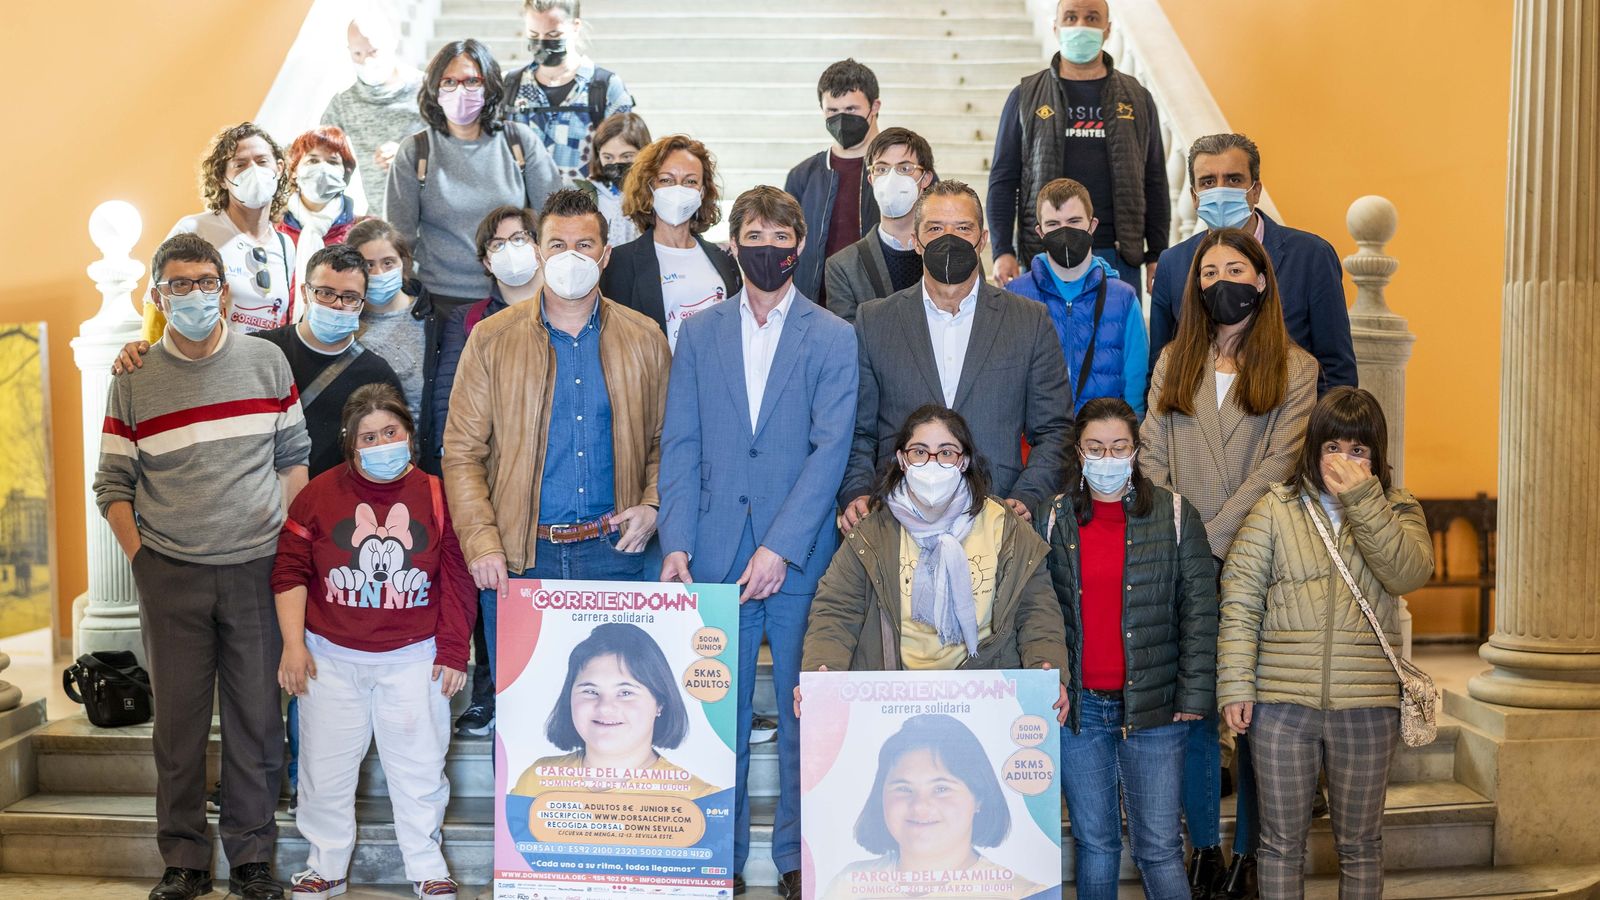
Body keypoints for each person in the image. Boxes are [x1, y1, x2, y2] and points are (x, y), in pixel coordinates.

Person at [94, 233, 310, 900]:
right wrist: (146, 563)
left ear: (224, 289)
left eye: (205, 281)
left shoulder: (267, 362)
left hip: (257, 570)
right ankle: (184, 859)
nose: (194, 294)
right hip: (172, 575)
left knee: (257, 723)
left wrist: (287, 551)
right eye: (179, 284)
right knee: (179, 729)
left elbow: (293, 462)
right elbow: (112, 485)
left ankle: (251, 857)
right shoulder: (133, 378)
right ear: (158, 296)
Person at [657, 186, 858, 898]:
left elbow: (831, 450)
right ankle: (721, 854)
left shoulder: (833, 336)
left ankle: (800, 856)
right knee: (719, 717)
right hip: (712, 559)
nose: (767, 248)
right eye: (754, 235)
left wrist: (780, 547)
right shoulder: (699, 333)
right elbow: (680, 442)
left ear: (799, 247)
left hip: (799, 562)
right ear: (733, 244)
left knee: (806, 714)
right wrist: (676, 541)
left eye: (780, 237)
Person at [1139, 227, 1318, 897]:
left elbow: (1278, 466)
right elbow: (1151, 453)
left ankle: (1249, 852)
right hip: (1180, 559)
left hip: (1256, 562)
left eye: (1235, 270)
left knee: (1254, 721)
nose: (1222, 283)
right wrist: (1186, 542)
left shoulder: (1296, 369)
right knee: (1192, 713)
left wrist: (1211, 540)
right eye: (1209, 272)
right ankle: (1205, 850)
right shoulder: (1174, 360)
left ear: (1262, 281)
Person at [443, 189, 671, 684]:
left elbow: (667, 440)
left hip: (617, 554)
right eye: (558, 245)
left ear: (605, 255)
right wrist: (481, 542)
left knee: (614, 701)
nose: (572, 257)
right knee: (528, 712)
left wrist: (653, 503)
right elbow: (462, 453)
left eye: (584, 245)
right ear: (539, 253)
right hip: (521, 559)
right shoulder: (491, 339)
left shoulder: (646, 337)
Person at [1217, 387, 1432, 900]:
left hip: (1367, 706)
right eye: (1333, 446)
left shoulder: (1399, 509)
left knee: (1360, 844)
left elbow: (1407, 574)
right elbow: (1241, 602)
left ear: (1377, 455)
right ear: (1313, 447)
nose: (1343, 459)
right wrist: (1236, 685)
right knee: (1279, 845)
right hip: (1281, 705)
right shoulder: (1275, 509)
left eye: (1358, 449)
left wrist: (1363, 500)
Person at [272, 383, 476, 900]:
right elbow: (289, 569)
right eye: (369, 437)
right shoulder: (319, 494)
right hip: (330, 657)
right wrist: (293, 645)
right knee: (324, 769)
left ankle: (427, 867)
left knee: (420, 767)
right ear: (350, 442)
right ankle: (326, 866)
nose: (382, 443)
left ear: (409, 433)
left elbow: (457, 577)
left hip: (414, 656)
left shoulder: (438, 494)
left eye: (390, 431)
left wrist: (454, 650)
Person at [1037, 397, 1217, 900]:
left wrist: (1193, 695)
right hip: (1079, 711)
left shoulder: (1175, 514)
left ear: (1136, 451)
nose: (1108, 458)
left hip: (1156, 709)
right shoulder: (1053, 517)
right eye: (1095, 447)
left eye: (1119, 447)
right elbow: (1038, 608)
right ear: (1078, 451)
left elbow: (1199, 612)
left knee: (1159, 846)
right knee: (1095, 843)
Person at [840, 181, 1072, 533]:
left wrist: (1027, 495)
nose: (949, 239)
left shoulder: (1030, 321)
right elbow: (859, 432)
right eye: (935, 229)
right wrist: (857, 492)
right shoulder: (874, 321)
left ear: (983, 239)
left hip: (997, 518)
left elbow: (1055, 430)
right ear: (916, 241)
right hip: (896, 522)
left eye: (963, 228)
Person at [803, 404, 1069, 676]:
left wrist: (1046, 669)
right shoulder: (872, 531)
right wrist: (823, 670)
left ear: (964, 461)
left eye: (946, 453)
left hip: (986, 685)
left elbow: (1036, 610)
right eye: (919, 452)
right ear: (902, 460)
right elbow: (837, 610)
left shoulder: (1005, 526)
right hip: (895, 689)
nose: (932, 463)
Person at [429, 205, 543, 737]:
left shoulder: (567, 307)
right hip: (489, 475)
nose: (512, 250)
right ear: (484, 261)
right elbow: (448, 401)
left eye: (522, 238)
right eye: (499, 244)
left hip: (553, 479)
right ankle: (488, 690)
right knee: (487, 580)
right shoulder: (470, 320)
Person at [1149, 133, 1356, 395]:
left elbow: (1336, 370)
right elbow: (1160, 369)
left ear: (1255, 190)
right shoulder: (1173, 263)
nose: (1220, 191)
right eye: (1208, 182)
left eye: (1233, 180)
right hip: (1197, 417)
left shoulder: (1312, 257)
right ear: (1194, 196)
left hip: (1289, 415)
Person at [988, 0, 1168, 292]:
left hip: (1118, 254)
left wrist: (1157, 253)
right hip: (1044, 252)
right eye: (1071, 17)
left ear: (1108, 29)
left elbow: (1155, 180)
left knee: (1118, 323)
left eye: (1092, 18)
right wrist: (1002, 250)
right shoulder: (1025, 96)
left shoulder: (1137, 98)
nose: (1081, 26)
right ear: (1056, 27)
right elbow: (1003, 180)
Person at [385, 38, 560, 311]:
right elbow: (399, 239)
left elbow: (554, 221)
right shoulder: (416, 151)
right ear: (435, 88)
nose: (460, 91)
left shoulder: (519, 142)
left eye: (471, 81)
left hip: (517, 296)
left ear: (488, 86)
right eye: (449, 82)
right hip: (441, 301)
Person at [821, 714, 1045, 900]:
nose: (920, 806)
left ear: (979, 798)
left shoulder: (1024, 895)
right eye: (903, 788)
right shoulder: (847, 886)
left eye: (941, 788)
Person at [509, 622, 724, 799]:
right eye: (590, 691)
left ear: (660, 703)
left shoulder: (701, 798)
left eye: (625, 693)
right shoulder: (535, 782)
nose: (605, 707)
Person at [1003, 178, 1148, 415]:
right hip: (1038, 435)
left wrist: (1131, 432)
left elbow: (1136, 383)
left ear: (1092, 225)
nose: (1064, 231)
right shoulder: (1014, 296)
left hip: (1104, 434)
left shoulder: (1124, 298)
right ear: (1040, 231)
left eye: (1074, 221)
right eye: (1053, 224)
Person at [142, 122, 297, 342]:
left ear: (279, 168)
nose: (254, 171)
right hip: (206, 359)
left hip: (260, 360)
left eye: (262, 161)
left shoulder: (284, 245)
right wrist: (152, 358)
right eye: (240, 164)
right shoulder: (195, 230)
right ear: (222, 178)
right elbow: (156, 305)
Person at [600, 134, 741, 349]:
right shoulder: (620, 263)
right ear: (649, 187)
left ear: (702, 192)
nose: (678, 189)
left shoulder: (724, 258)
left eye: (690, 181)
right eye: (666, 180)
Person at [503, 0, 635, 183]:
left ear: (575, 26)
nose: (542, 42)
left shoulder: (606, 87)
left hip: (586, 200)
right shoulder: (508, 85)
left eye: (553, 34)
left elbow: (625, 161)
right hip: (523, 201)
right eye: (533, 34)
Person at [785, 59, 882, 303]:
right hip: (816, 308)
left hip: (882, 308)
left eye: (851, 109)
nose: (841, 119)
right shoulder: (802, 176)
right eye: (832, 111)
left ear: (875, 106)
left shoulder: (905, 171)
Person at [824, 127, 936, 323]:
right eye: (882, 169)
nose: (892, 179)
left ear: (925, 178)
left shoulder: (953, 251)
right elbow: (848, 334)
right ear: (871, 179)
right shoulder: (843, 266)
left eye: (904, 169)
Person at [320, 11, 425, 218]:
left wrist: (408, 156)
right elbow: (319, 148)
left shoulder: (426, 90)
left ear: (392, 43)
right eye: (357, 54)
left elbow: (452, 150)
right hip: (380, 217)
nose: (366, 61)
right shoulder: (344, 102)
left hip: (429, 216)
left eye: (373, 51)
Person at [339, 219, 427, 427]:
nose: (379, 273)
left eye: (388, 263)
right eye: (368, 265)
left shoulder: (431, 318)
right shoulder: (340, 322)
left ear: (403, 263)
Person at [279, 126, 363, 292]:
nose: (322, 169)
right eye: (313, 161)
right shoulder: (273, 230)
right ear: (294, 170)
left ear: (345, 172)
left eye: (332, 162)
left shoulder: (361, 231)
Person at [573, 111, 651, 246]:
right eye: (608, 157)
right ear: (598, 155)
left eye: (627, 156)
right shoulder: (586, 194)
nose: (616, 163)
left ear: (645, 152)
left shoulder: (655, 194)